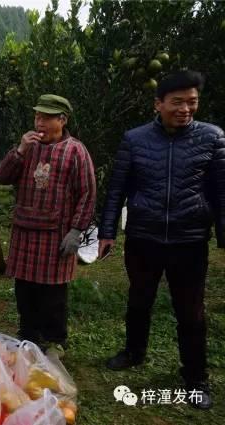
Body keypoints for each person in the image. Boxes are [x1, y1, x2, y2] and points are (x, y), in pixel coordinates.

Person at [98, 70, 224, 410]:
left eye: (192, 102)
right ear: (159, 104)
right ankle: (134, 352)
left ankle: (196, 378)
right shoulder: (135, 140)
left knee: (191, 311)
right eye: (177, 102)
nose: (185, 109)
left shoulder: (212, 138)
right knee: (139, 300)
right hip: (143, 236)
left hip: (190, 239)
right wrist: (108, 232)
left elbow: (220, 191)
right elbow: (117, 190)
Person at [0, 94, 96, 357]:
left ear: (62, 120)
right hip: (25, 229)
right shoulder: (28, 148)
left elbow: (87, 193)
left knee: (53, 293)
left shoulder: (76, 151)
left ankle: (55, 340)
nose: (38, 122)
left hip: (56, 234)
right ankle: (28, 334)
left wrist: (76, 231)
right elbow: (2, 177)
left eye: (46, 117)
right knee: (25, 288)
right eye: (37, 116)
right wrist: (19, 150)